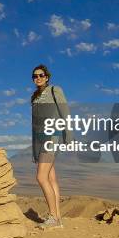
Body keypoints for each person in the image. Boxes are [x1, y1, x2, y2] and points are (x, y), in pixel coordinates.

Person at [30, 64, 71, 229]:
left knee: (41, 177)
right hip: (38, 138)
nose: (38, 78)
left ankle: (53, 217)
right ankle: (58, 218)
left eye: (41, 75)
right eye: (35, 76)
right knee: (51, 178)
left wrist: (68, 135)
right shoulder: (34, 97)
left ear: (47, 77)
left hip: (51, 136)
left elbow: (65, 112)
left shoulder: (55, 90)